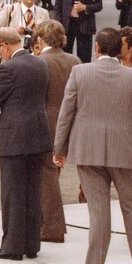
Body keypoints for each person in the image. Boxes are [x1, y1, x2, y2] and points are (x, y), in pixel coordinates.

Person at [53, 27, 132, 264]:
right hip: (127, 151)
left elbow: (66, 113)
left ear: (97, 48)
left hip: (88, 151)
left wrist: (60, 150)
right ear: (122, 49)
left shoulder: (80, 73)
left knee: (98, 212)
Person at [0, 28, 51, 261]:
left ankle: (12, 246)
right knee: (33, 190)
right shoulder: (40, 64)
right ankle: (32, 244)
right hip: (39, 133)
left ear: (4, 46)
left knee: (13, 192)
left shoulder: (7, 68)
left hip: (15, 136)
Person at [33, 20, 80, 243]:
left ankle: (51, 226)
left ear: (42, 39)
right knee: (53, 174)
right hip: (70, 123)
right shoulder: (74, 61)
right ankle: (47, 222)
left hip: (45, 123)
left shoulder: (40, 62)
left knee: (46, 175)